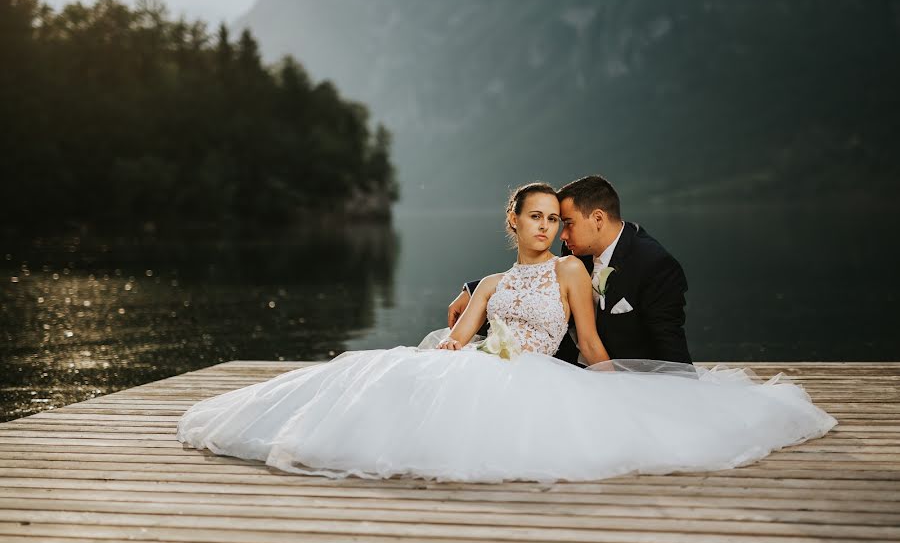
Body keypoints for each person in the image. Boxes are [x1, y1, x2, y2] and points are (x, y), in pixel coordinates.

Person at [177, 183, 835, 483]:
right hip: (481, 363)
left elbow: (594, 345)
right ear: (514, 223)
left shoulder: (575, 276)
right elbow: (459, 338)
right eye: (537, 217)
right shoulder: (490, 284)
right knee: (386, 368)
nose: (548, 227)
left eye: (556, 219)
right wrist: (445, 343)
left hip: (534, 376)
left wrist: (626, 398)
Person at [448, 175, 692, 365]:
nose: (559, 234)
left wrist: (673, 395)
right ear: (514, 219)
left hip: (616, 375)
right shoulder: (576, 249)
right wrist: (474, 291)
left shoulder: (654, 266)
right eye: (538, 217)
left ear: (598, 219)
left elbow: (669, 341)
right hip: (550, 366)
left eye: (562, 221)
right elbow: (529, 278)